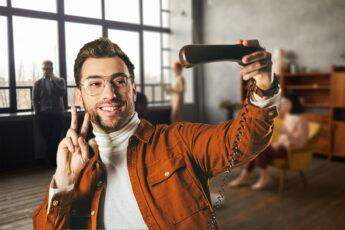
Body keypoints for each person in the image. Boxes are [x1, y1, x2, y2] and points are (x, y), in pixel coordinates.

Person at [33, 38, 280, 229]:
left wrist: (264, 87)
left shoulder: (178, 141)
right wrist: (63, 181)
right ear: (79, 96)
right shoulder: (77, 170)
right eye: (95, 83)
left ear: (133, 89)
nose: (109, 93)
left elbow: (245, 139)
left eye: (119, 81)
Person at [228, 93, 309, 190]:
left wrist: (287, 134)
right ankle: (244, 178)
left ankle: (263, 177)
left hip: (291, 151)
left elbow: (301, 142)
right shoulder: (288, 116)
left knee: (258, 149)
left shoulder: (301, 119)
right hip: (281, 147)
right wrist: (278, 143)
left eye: (285, 103)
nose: (282, 105)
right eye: (281, 103)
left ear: (294, 103)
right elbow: (283, 138)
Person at [33, 60, 66, 169]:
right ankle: (51, 161)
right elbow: (35, 99)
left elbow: (61, 93)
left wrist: (53, 81)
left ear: (52, 69)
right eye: (44, 69)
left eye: (49, 69)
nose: (46, 71)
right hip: (44, 115)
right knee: (47, 139)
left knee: (56, 138)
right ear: (42, 70)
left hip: (58, 114)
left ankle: (49, 160)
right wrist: (38, 113)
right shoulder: (37, 83)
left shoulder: (60, 81)